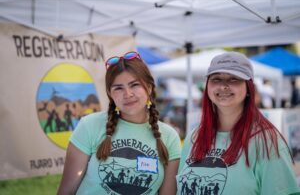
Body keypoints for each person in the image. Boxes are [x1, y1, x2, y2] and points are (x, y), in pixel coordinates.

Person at [57, 51, 181, 195]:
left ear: (149, 87)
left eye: (134, 85)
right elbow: (66, 191)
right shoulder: (90, 125)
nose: (128, 94)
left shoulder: (169, 136)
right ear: (110, 94)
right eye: (118, 88)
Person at [176, 52, 300, 195]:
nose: (223, 86)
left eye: (234, 79)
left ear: (248, 88)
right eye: (216, 79)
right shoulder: (194, 137)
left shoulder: (266, 141)